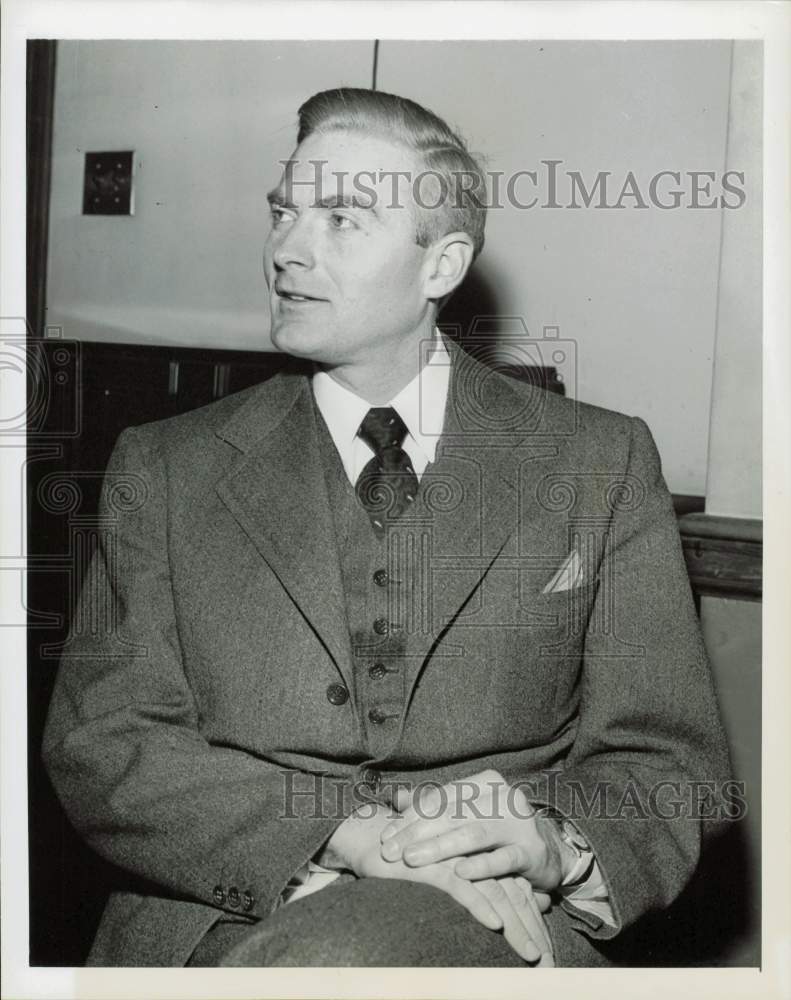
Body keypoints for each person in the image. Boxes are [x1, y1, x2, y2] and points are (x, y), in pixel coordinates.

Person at [43, 87, 731, 968]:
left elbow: (669, 765)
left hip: (502, 917)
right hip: (223, 913)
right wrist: (350, 836)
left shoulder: (598, 460)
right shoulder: (166, 466)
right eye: (283, 212)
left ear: (440, 266)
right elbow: (104, 743)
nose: (287, 250)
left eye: (341, 218)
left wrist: (550, 843)